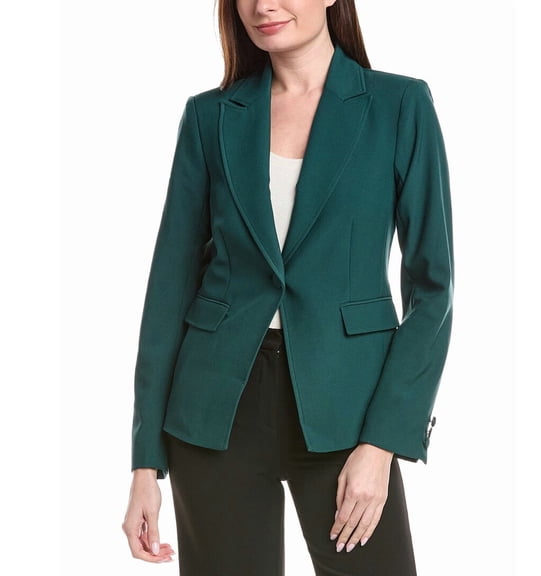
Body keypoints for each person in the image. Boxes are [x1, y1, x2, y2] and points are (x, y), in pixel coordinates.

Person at [122, 1, 453, 574]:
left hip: (347, 408)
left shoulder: (399, 105)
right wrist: (144, 464)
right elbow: (169, 290)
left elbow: (432, 291)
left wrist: (383, 442)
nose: (262, 6)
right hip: (215, 409)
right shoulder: (210, 116)